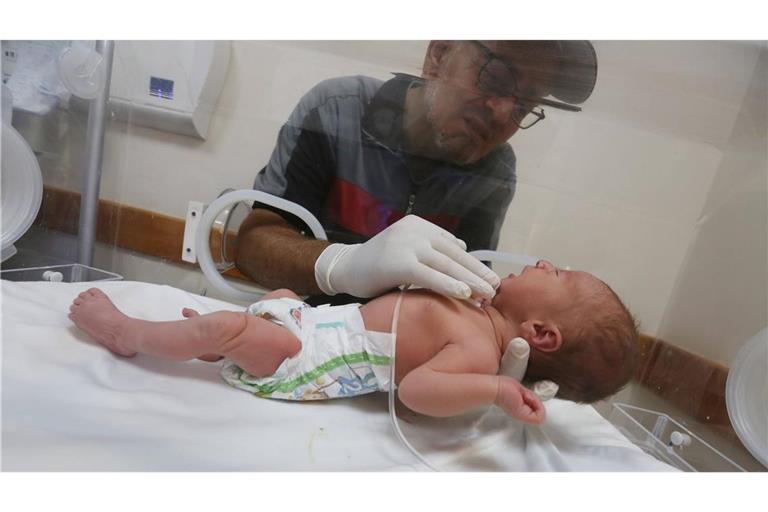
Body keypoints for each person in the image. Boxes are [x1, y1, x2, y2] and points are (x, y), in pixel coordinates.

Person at [234, 41, 598, 305]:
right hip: (295, 326)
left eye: (525, 105)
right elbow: (253, 245)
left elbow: (465, 290)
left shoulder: (496, 170)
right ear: (438, 55)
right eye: (496, 78)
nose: (503, 113)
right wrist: (345, 265)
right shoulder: (339, 110)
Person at [68, 260, 637, 425]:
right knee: (278, 296)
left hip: (304, 361)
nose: (542, 262)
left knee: (228, 328)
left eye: (556, 275)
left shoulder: (479, 352)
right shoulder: (475, 304)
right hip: (314, 324)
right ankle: (217, 344)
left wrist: (491, 389)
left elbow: (415, 390)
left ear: (541, 333)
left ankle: (127, 333)